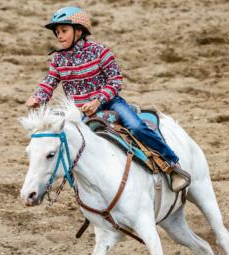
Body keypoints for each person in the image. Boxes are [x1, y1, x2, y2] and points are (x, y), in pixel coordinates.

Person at [26, 7, 190, 192]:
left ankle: (172, 165)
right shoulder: (58, 60)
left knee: (136, 127)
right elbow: (50, 82)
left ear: (78, 31)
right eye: (57, 33)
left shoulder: (99, 51)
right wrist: (38, 97)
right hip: (79, 111)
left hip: (110, 103)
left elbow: (115, 80)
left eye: (64, 31)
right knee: (64, 142)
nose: (59, 36)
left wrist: (98, 100)